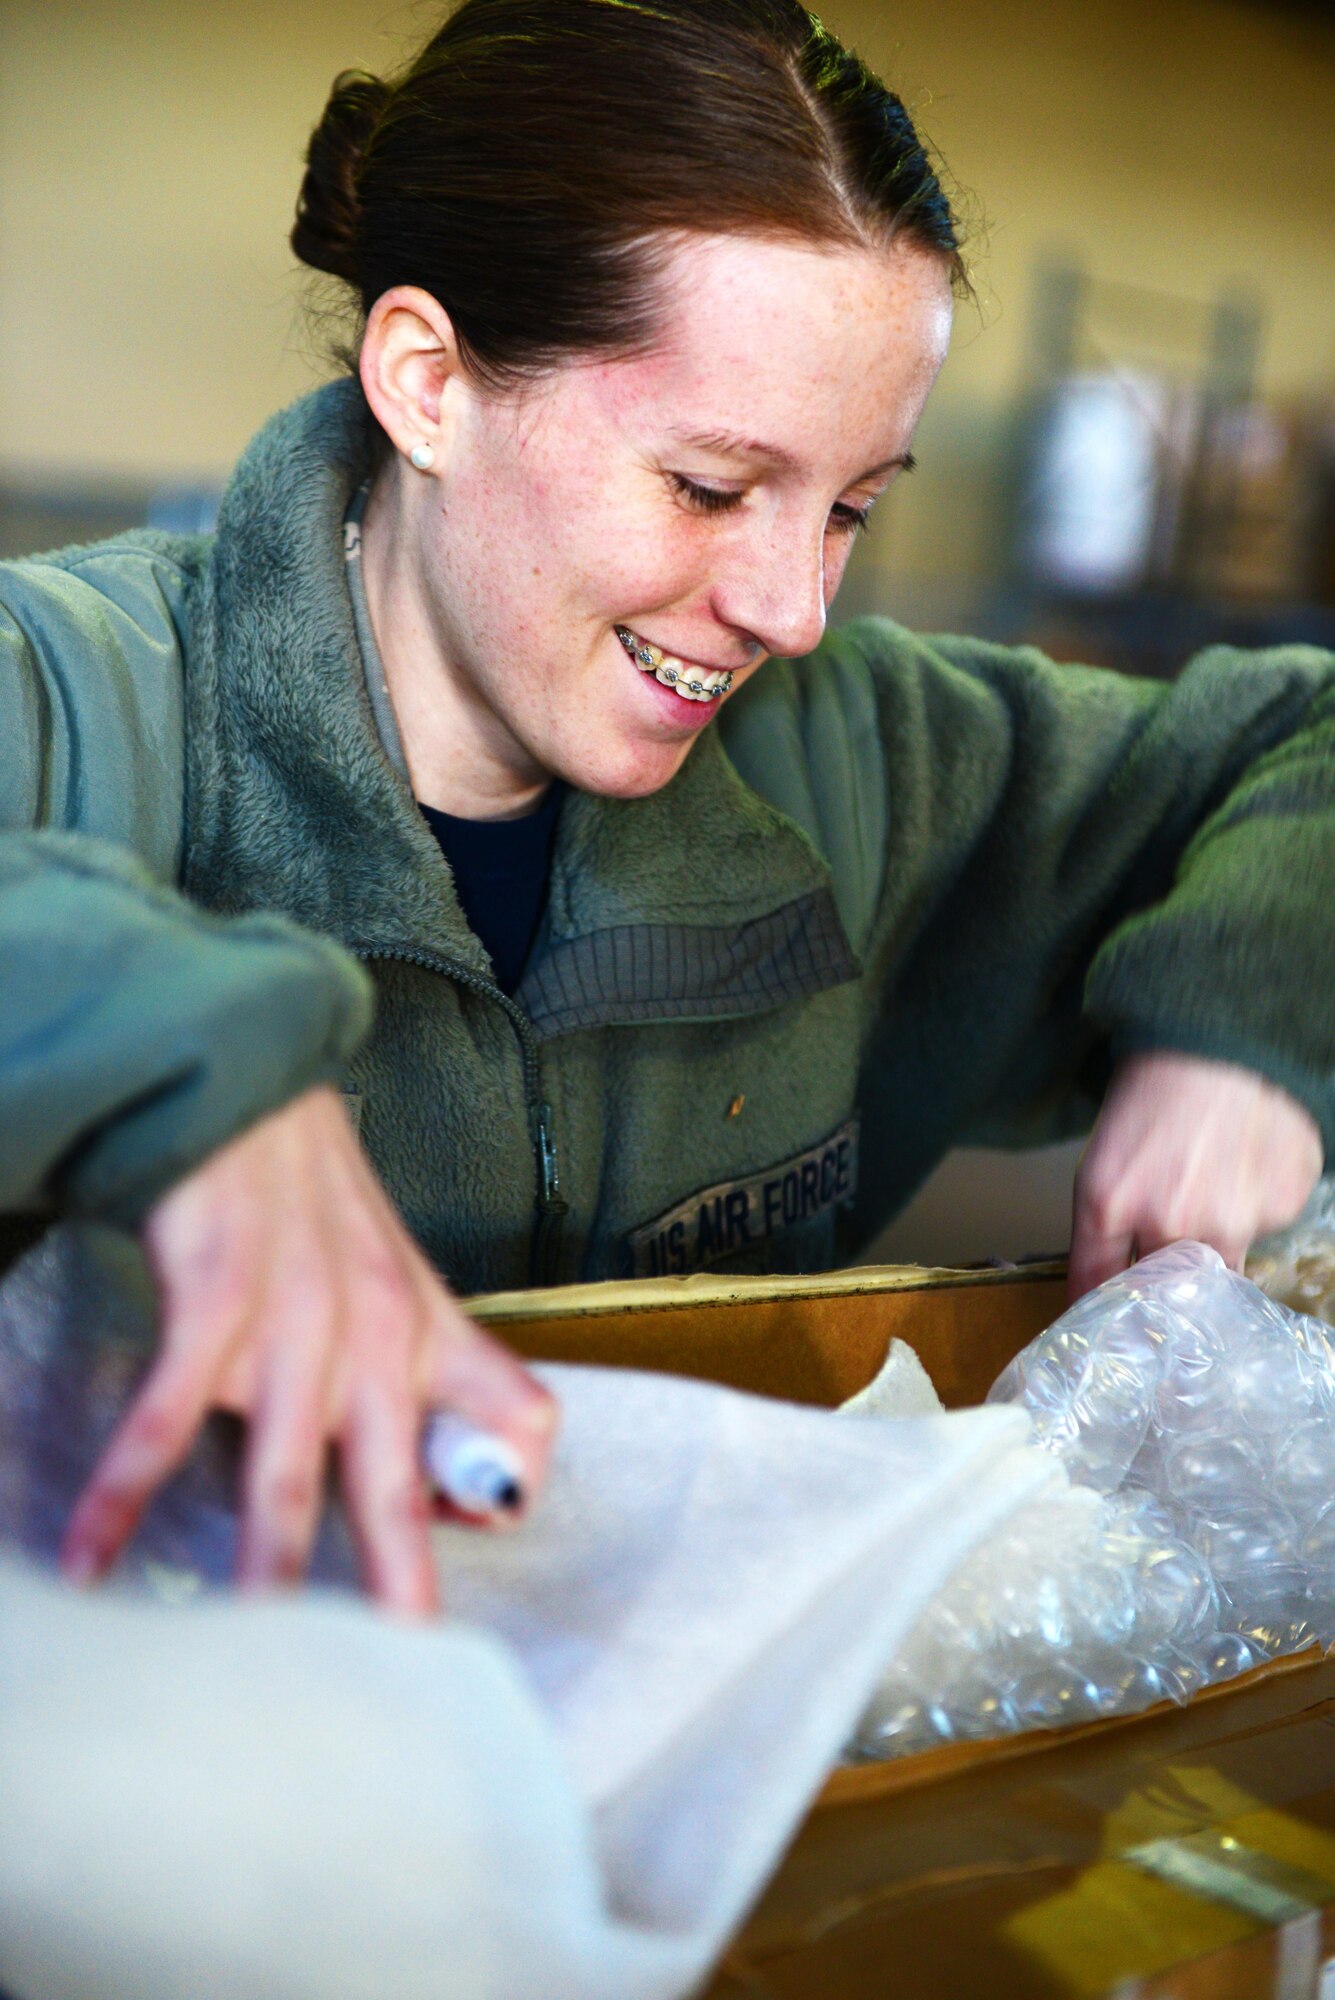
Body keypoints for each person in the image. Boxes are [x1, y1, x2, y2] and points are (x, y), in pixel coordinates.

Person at [1, 0, 1329, 1614]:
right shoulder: (79, 698)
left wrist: (1249, 1013)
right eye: (709, 488)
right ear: (428, 383)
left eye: (847, 509)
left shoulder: (866, 760)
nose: (792, 611)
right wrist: (171, 1056)